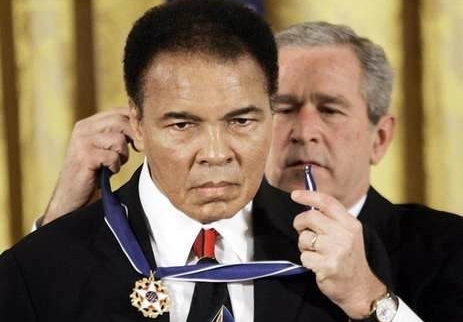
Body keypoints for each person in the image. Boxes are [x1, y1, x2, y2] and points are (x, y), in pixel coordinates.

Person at [7, 12, 463, 322]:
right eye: (182, 123)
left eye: (241, 121)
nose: (216, 152)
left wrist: (369, 302)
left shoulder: (347, 257)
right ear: (137, 126)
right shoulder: (39, 268)